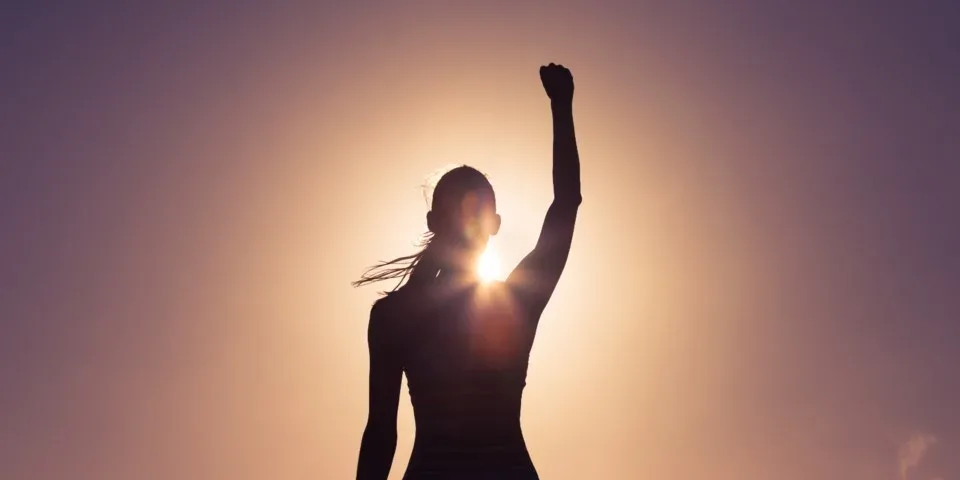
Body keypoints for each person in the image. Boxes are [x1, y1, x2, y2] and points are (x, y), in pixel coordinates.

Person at [353, 63, 581, 480]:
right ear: (434, 221)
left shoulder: (396, 316)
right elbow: (381, 433)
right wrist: (561, 107)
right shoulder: (395, 317)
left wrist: (562, 107)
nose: (468, 222)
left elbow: (381, 434)